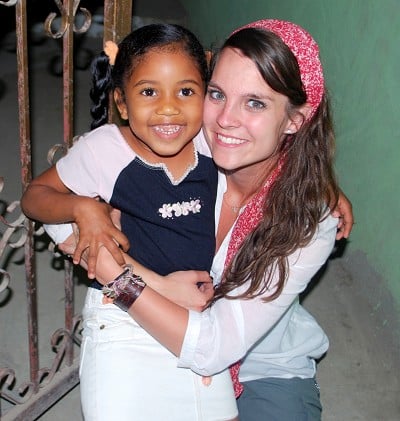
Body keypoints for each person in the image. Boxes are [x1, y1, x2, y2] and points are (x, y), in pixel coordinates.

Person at [22, 19, 354, 420]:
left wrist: (118, 276)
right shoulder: (192, 142)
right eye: (218, 94)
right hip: (147, 323)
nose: (226, 120)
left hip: (262, 363)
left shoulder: (305, 214)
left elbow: (213, 346)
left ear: (295, 120)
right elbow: (60, 207)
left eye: (255, 103)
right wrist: (85, 209)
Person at [21, 24, 238, 421]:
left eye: (186, 92)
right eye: (149, 92)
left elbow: (275, 162)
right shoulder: (105, 150)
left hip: (199, 314)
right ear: (121, 102)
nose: (169, 108)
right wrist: (82, 207)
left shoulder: (214, 140)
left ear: (207, 95)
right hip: (121, 309)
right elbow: (35, 197)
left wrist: (324, 190)